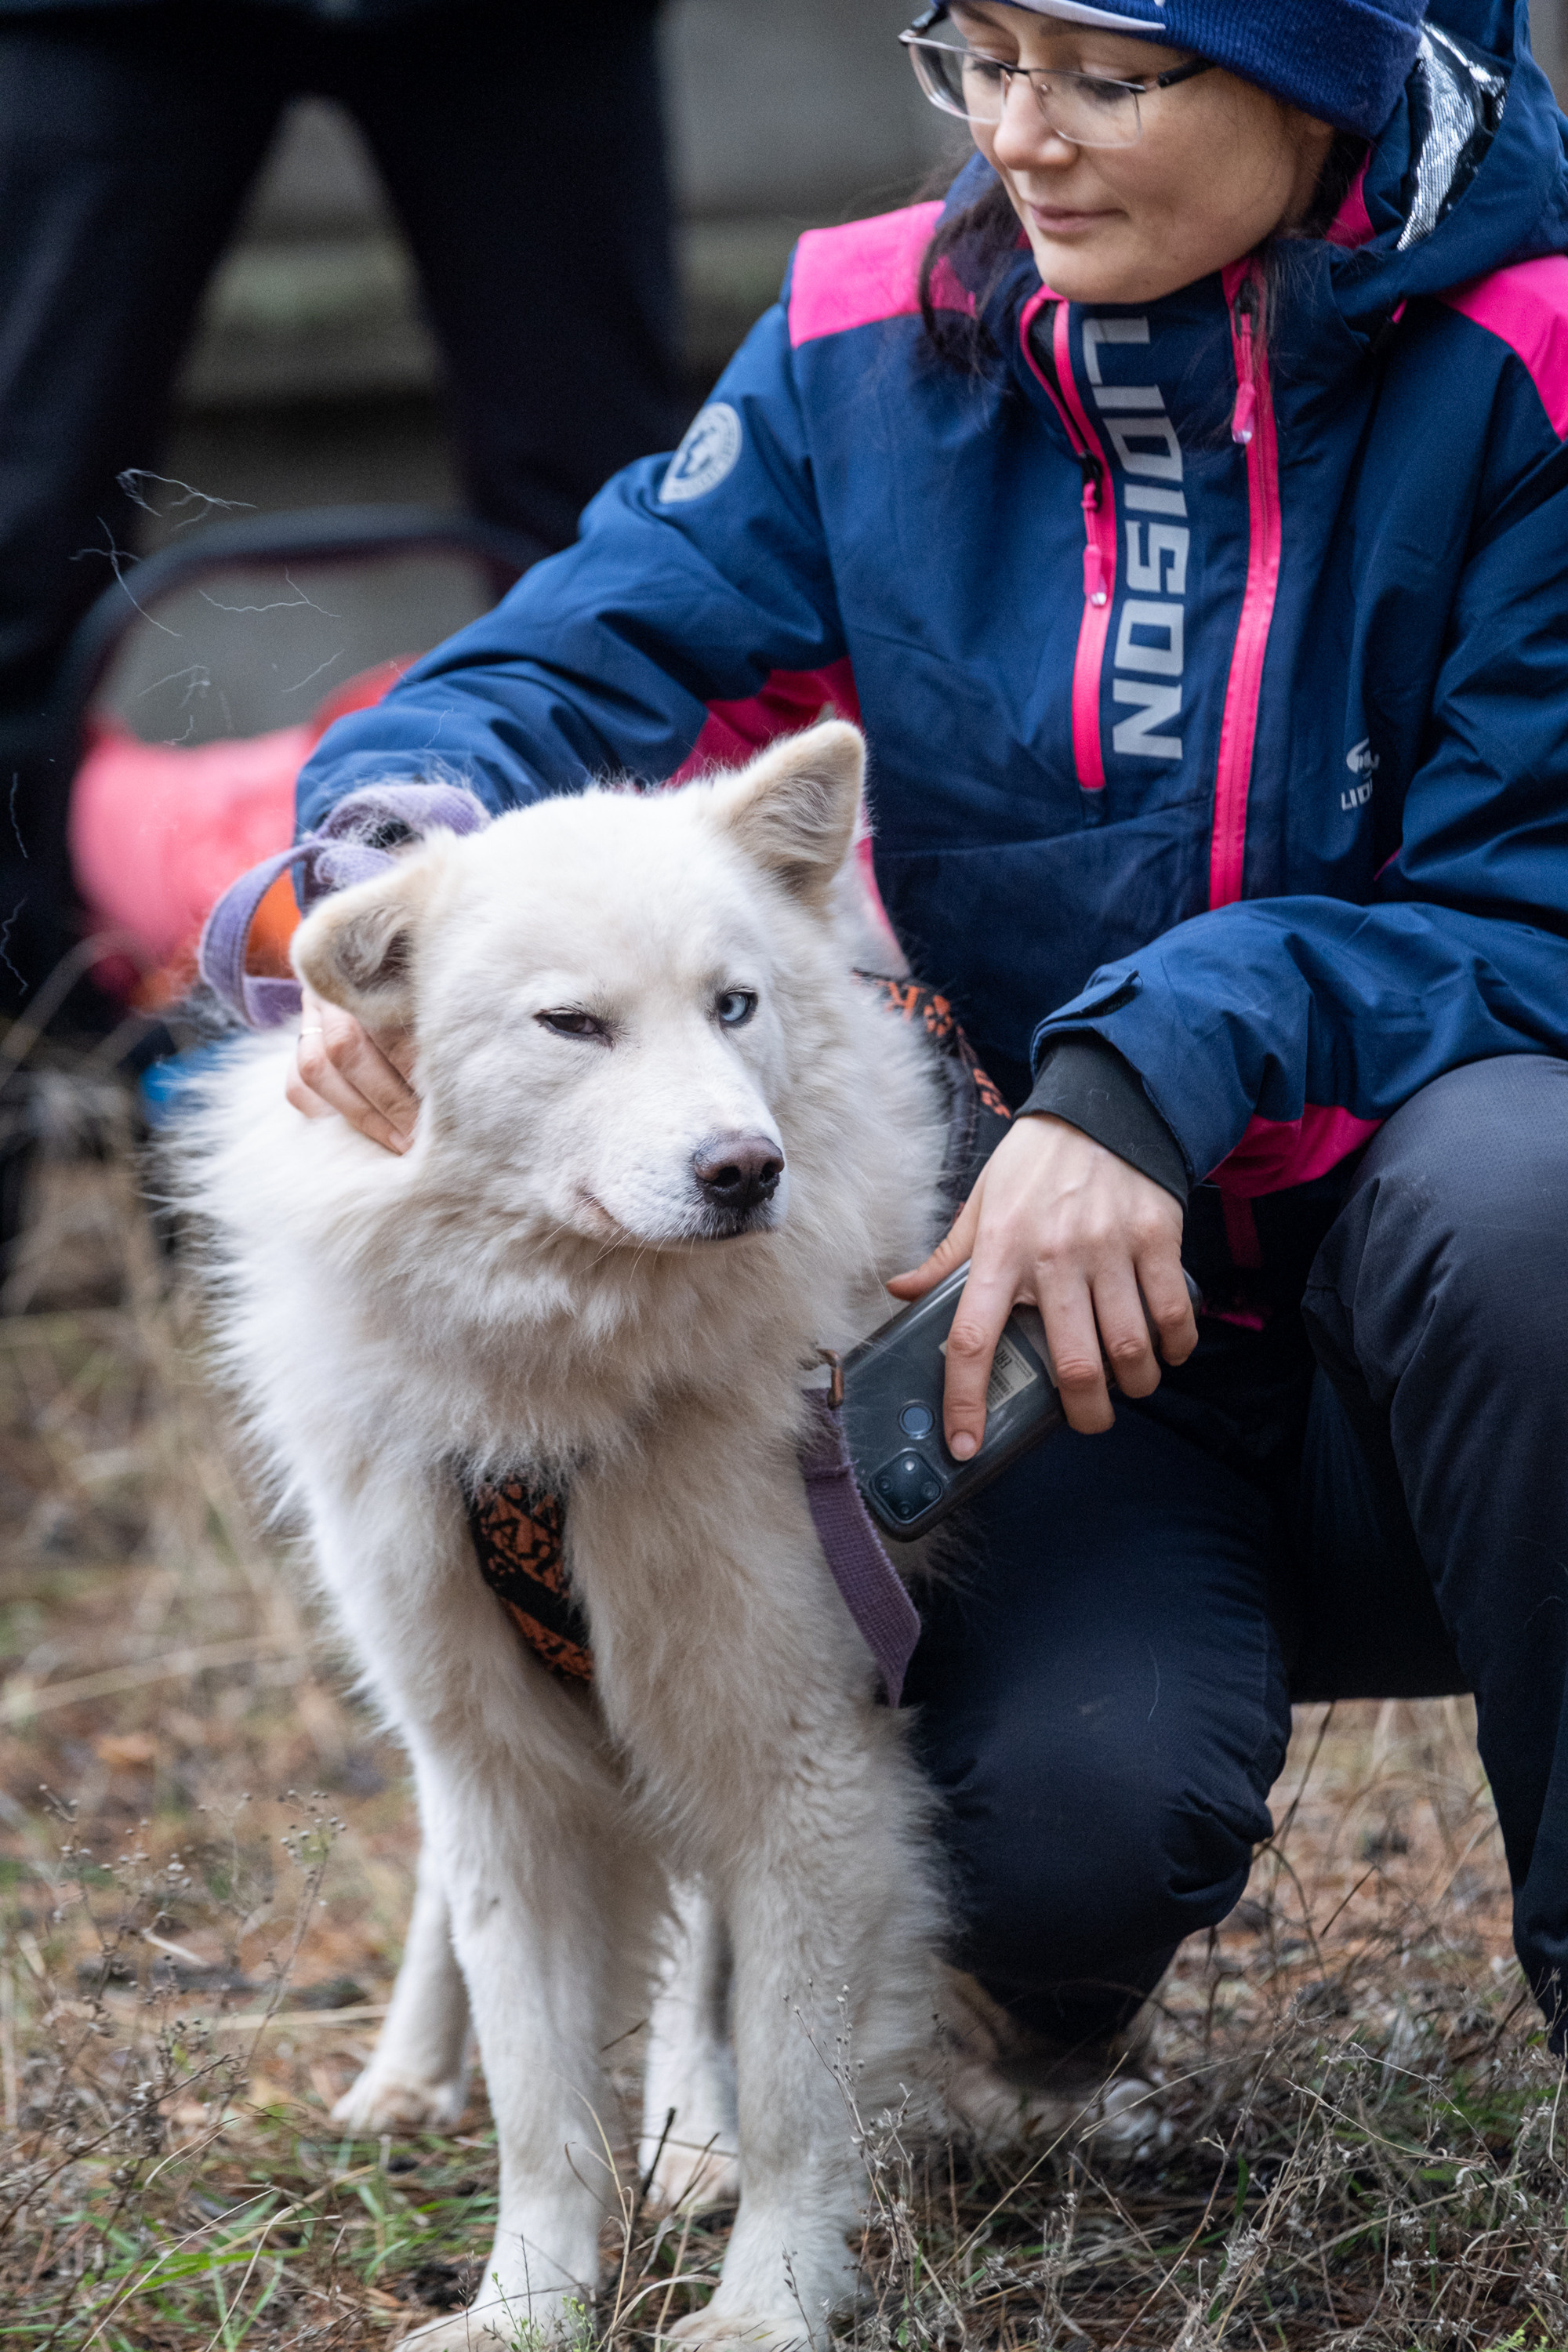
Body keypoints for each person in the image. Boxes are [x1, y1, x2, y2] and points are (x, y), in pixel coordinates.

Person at [283, 0, 1568, 2084]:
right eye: (970, 53)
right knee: (1029, 1862)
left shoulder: (1537, 357)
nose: (1017, 139)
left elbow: (1537, 895)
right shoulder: (860, 338)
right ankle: (1027, 1996)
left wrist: (1149, 1079)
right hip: (1052, 1346)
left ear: (1342, 78)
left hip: (1453, 1328)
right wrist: (395, 871)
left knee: (1533, 1193)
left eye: (1107, 76)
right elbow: (575, 652)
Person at [0, 0, 682, 1010]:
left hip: (531, 30)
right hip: (100, 22)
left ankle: (634, 1008)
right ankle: (32, 1068)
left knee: (621, 549)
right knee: (19, 538)